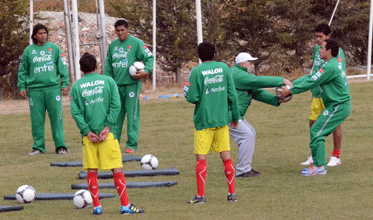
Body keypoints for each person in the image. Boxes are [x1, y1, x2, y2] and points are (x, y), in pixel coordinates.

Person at [70, 53, 144, 215]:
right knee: (116, 169)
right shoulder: (108, 81)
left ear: (81, 69)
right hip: (107, 135)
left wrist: (87, 131)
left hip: (88, 137)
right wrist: (107, 127)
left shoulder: (76, 86)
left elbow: (75, 112)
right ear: (97, 66)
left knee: (91, 171)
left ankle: (97, 206)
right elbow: (116, 105)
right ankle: (125, 205)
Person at [278, 39, 351, 176]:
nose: (319, 50)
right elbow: (312, 76)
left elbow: (312, 82)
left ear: (329, 51)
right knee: (317, 131)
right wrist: (293, 84)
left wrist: (290, 91)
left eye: (322, 48)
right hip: (336, 105)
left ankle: (319, 167)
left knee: (317, 130)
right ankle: (319, 165)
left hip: (338, 106)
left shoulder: (330, 67)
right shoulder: (330, 63)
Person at [184, 42, 240, 203]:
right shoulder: (224, 68)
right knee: (226, 156)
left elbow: (192, 97)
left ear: (199, 57)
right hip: (222, 120)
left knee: (201, 158)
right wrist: (235, 117)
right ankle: (232, 193)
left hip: (203, 121)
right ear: (215, 54)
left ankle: (200, 196)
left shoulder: (197, 71)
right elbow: (232, 95)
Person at [229, 52, 293, 178]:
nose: (252, 66)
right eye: (250, 63)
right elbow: (258, 82)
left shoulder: (242, 76)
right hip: (227, 115)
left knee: (249, 134)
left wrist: (276, 100)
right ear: (242, 64)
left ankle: (245, 168)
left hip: (233, 114)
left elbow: (257, 92)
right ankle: (242, 170)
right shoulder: (237, 74)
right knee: (247, 135)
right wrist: (282, 80)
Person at [17, 23, 69, 155]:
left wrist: (65, 83)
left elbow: (62, 68)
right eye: (40, 33)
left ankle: (60, 147)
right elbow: (23, 71)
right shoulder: (29, 51)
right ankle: (38, 147)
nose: (43, 36)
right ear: (34, 35)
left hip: (53, 89)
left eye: (45, 33)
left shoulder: (54, 49)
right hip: (35, 90)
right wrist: (22, 86)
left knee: (57, 119)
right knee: (37, 120)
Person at [104, 19, 154, 153]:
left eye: (122, 30)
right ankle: (113, 143)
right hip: (116, 87)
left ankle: (131, 146)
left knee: (132, 115)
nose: (120, 33)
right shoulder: (112, 45)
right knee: (115, 116)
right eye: (118, 31)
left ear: (128, 30)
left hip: (132, 85)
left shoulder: (136, 43)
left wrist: (146, 71)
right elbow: (108, 65)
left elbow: (149, 58)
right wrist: (108, 82)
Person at [299, 23, 346, 167]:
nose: (318, 40)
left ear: (328, 37)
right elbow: (314, 71)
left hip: (329, 95)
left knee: (334, 124)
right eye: (316, 37)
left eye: (321, 37)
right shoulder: (317, 51)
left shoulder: (337, 51)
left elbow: (338, 71)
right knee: (313, 123)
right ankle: (316, 155)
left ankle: (336, 156)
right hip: (317, 94)